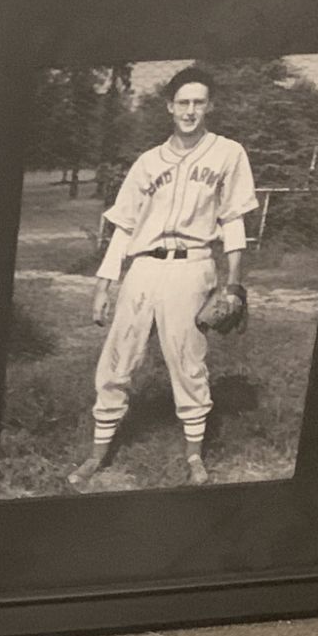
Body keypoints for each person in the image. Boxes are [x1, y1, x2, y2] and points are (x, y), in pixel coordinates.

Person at [74, 66, 257, 490]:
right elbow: (123, 226)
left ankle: (194, 452)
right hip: (143, 268)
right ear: (169, 107)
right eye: (183, 102)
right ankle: (98, 453)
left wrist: (233, 283)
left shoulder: (228, 153)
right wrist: (104, 284)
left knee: (187, 360)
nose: (190, 110)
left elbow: (232, 220)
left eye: (199, 102)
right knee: (119, 357)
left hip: (192, 267)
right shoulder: (147, 162)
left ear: (209, 106)